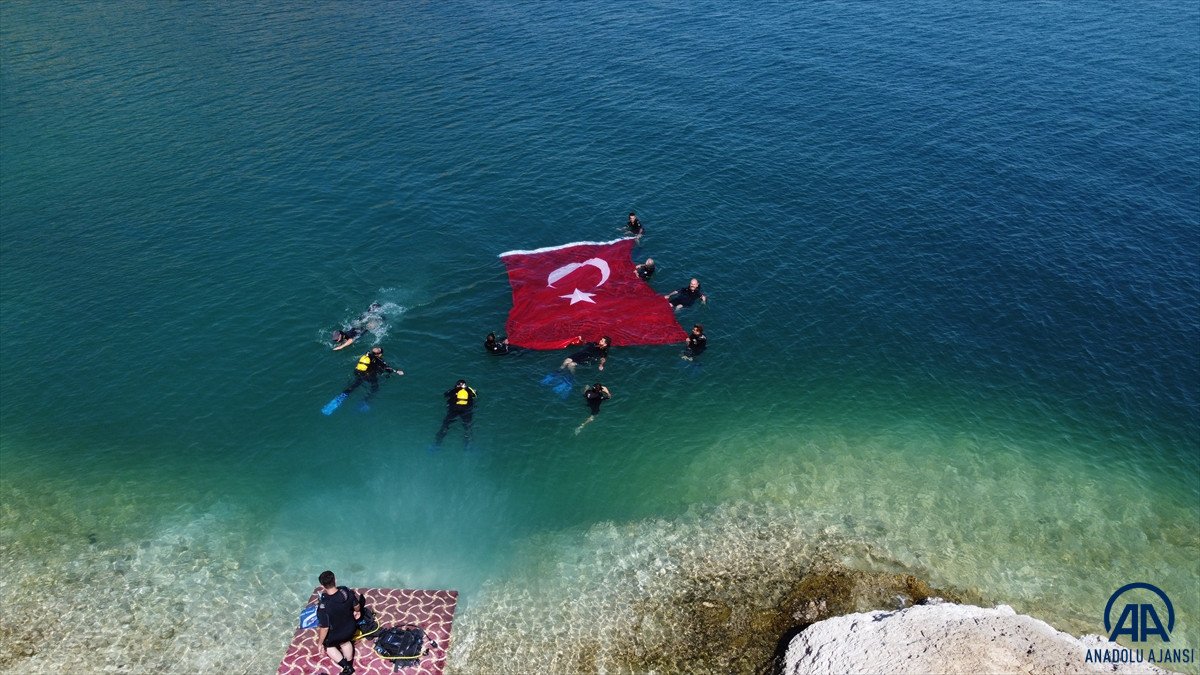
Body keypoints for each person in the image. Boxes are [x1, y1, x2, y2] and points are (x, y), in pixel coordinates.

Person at [315, 570, 361, 675]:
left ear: (322, 585)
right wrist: (357, 612)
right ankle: (349, 663)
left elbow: (325, 628)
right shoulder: (345, 591)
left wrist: (320, 642)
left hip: (337, 635)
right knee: (345, 642)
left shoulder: (324, 605)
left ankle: (347, 667)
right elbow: (356, 606)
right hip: (351, 628)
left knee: (329, 647)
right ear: (335, 580)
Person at [434, 379, 477, 447]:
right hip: (466, 411)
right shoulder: (469, 390)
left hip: (454, 410)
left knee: (445, 425)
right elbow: (474, 395)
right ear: (465, 385)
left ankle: (437, 443)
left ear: (457, 385)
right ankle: (468, 444)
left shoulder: (453, 390)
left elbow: (446, 395)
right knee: (467, 427)